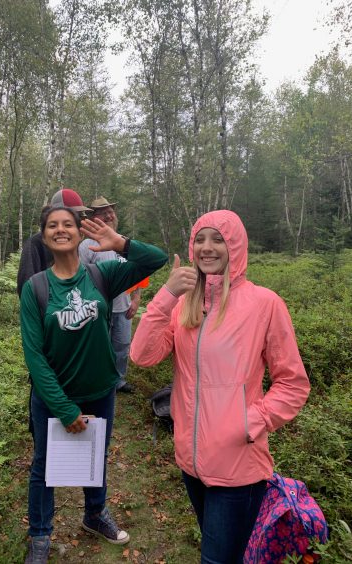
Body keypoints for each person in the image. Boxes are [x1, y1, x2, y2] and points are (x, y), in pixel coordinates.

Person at [130, 210, 310, 564]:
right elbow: (142, 355)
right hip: (190, 460)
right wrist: (166, 295)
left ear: (236, 247)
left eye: (218, 240)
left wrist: (249, 422)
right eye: (200, 239)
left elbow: (292, 384)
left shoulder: (264, 304)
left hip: (238, 466)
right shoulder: (184, 304)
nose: (206, 248)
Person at [20, 205, 167, 563]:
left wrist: (120, 243)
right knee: (43, 466)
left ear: (79, 232)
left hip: (101, 392)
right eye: (52, 225)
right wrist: (64, 408)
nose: (60, 230)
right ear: (44, 235)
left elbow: (156, 260)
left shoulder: (101, 275)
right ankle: (40, 535)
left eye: (67, 224)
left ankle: (94, 514)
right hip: (55, 397)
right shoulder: (36, 288)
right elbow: (35, 357)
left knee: (94, 455)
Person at [79, 196, 141, 393]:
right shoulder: (87, 245)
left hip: (123, 307)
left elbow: (136, 271)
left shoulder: (123, 242)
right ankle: (99, 381)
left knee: (122, 345)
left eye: (110, 211)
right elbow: (79, 277)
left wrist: (136, 298)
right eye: (103, 212)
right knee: (99, 346)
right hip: (98, 308)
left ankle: (118, 380)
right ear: (94, 217)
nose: (109, 215)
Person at [17, 188, 91, 297]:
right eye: (74, 214)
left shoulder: (79, 240)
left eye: (79, 215)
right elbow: (25, 285)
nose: (77, 219)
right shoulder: (36, 243)